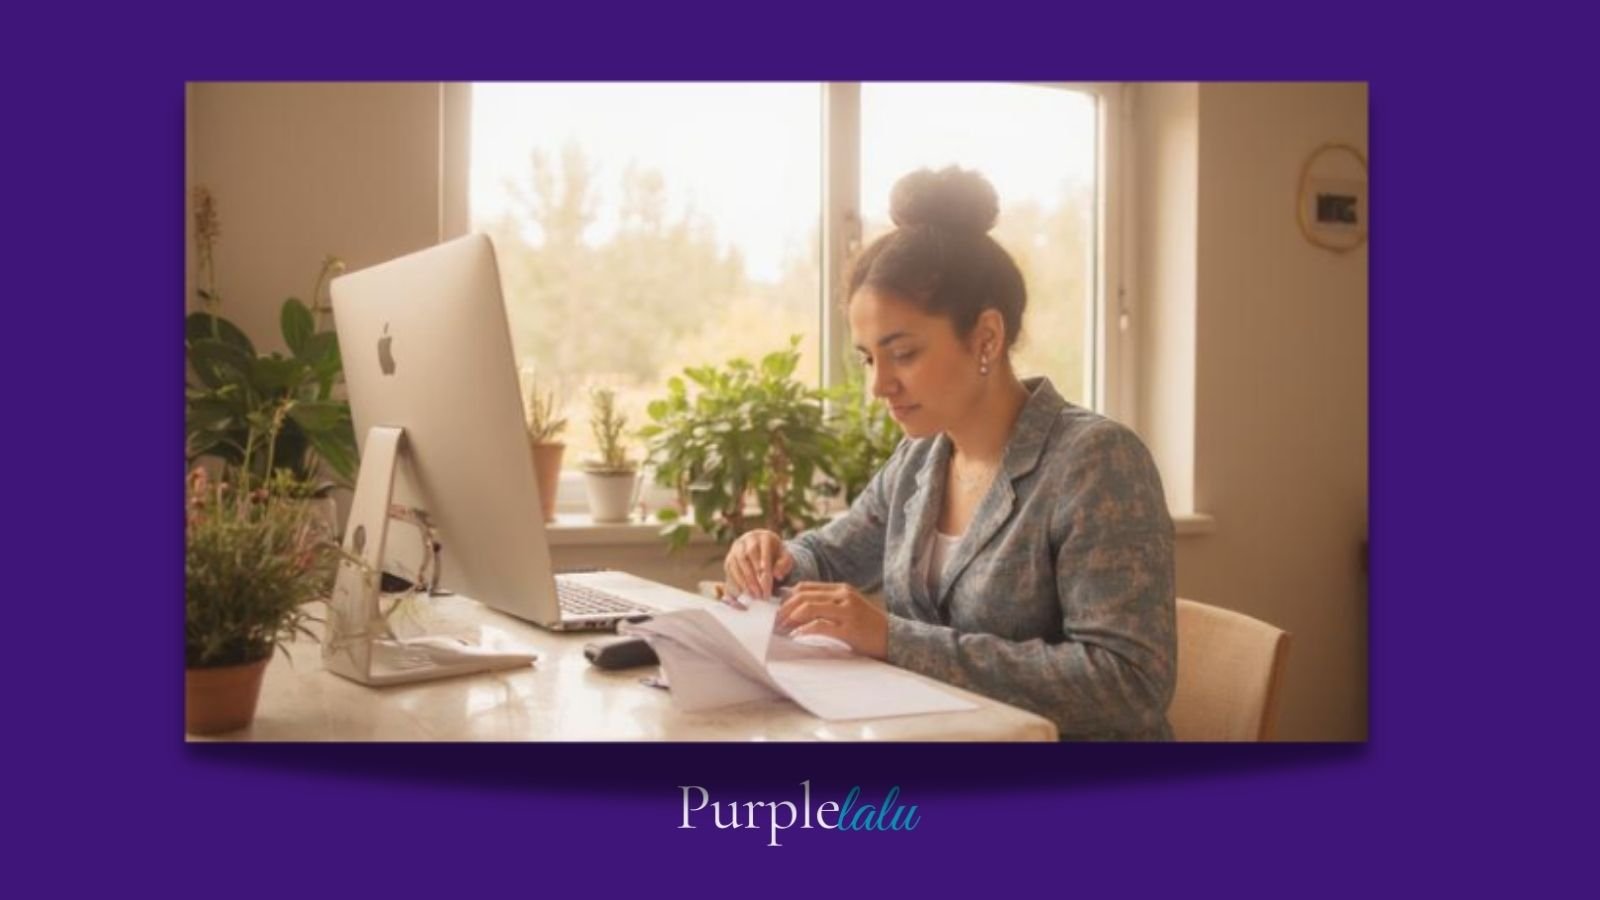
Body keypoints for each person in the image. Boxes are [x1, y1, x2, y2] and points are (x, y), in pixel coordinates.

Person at [722, 166, 1176, 741]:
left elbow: (1128, 686)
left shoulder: (1097, 463)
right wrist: (774, 558)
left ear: (986, 337)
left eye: (903, 353)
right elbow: (830, 555)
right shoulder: (921, 463)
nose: (878, 386)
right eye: (868, 359)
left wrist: (892, 638)